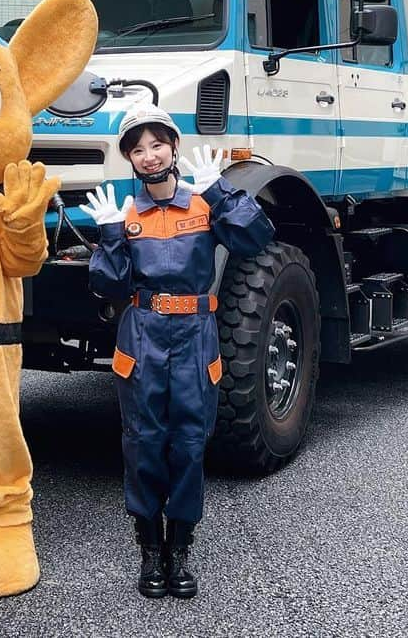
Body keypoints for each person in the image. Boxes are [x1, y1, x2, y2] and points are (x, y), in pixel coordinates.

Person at [80, 103, 275, 599]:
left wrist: (221, 191)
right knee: (143, 442)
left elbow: (257, 238)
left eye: (156, 145)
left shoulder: (205, 206)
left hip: (194, 334)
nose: (148, 156)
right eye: (138, 150)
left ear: (173, 148)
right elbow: (109, 284)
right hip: (142, 335)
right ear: (130, 159)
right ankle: (149, 549)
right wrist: (108, 235)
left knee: (189, 443)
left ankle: (180, 547)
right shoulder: (125, 217)